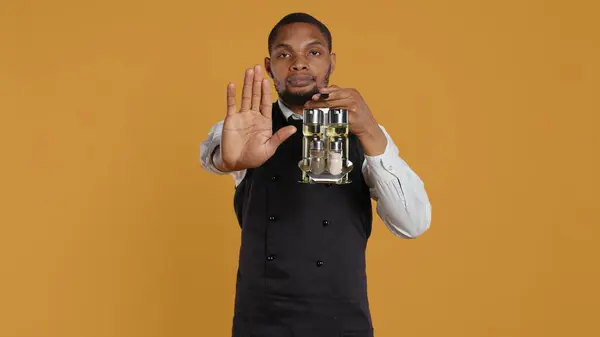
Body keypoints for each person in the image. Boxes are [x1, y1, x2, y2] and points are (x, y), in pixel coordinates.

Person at [200, 12, 432, 337]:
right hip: (261, 321)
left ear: (331, 62)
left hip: (342, 321)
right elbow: (214, 155)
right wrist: (228, 160)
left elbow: (413, 224)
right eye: (285, 54)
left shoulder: (367, 134)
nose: (299, 63)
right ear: (269, 67)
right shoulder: (248, 127)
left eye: (313, 52)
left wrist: (370, 133)